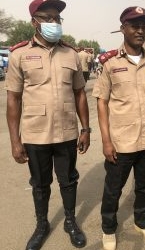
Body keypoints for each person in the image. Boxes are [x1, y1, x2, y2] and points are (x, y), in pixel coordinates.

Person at [5, 0, 91, 249]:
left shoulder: (71, 54)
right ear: (34, 21)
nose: (54, 23)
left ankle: (70, 221)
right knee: (40, 185)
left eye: (57, 19)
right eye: (47, 18)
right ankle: (42, 224)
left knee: (69, 181)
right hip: (35, 135)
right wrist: (15, 140)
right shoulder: (19, 54)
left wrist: (85, 129)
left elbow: (80, 94)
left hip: (66, 132)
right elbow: (13, 98)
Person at [92, 6, 145, 250]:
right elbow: (102, 102)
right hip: (121, 141)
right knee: (113, 189)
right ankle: (108, 229)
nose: (140, 31)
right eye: (135, 26)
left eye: (144, 26)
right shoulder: (110, 63)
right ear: (123, 28)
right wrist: (106, 140)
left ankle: (142, 222)